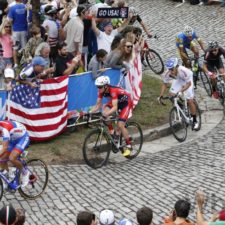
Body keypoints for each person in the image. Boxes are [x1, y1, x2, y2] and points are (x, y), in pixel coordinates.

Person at [90, 75, 133, 157]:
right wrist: (89, 112)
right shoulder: (101, 91)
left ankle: (129, 145)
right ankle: (113, 134)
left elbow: (115, 107)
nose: (98, 88)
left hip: (126, 102)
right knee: (104, 111)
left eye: (100, 87)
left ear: (106, 86)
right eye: (97, 87)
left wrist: (107, 114)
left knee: (120, 125)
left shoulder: (113, 90)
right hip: (117, 101)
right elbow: (97, 105)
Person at [158, 57, 199, 130]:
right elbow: (164, 84)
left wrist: (180, 91)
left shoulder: (183, 71)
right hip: (179, 80)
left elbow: (188, 84)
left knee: (189, 100)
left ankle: (195, 120)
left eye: (172, 69)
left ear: (176, 67)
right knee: (171, 94)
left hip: (187, 81)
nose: (171, 71)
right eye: (169, 69)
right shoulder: (168, 73)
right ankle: (181, 108)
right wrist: (160, 96)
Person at [0, 120, 30, 187]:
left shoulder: (5, 130)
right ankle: (7, 177)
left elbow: (4, 148)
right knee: (2, 158)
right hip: (13, 138)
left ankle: (25, 173)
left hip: (23, 137)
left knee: (12, 158)